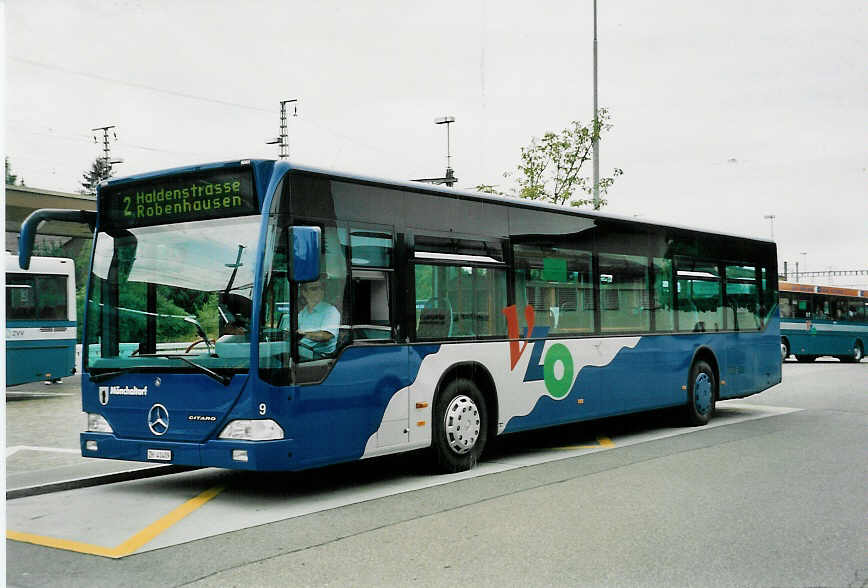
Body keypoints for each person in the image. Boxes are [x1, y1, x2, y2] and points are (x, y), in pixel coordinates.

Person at [297, 277, 340, 359]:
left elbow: (326, 335)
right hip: (302, 352)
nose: (319, 291)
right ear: (304, 293)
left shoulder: (330, 311)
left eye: (321, 288)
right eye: (314, 289)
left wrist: (303, 335)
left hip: (319, 357)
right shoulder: (303, 312)